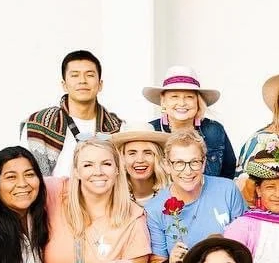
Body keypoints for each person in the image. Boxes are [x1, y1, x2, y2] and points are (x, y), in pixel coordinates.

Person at [145, 129, 247, 263]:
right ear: (167, 165)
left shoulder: (227, 190)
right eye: (179, 163)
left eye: (194, 162)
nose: (188, 171)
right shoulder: (155, 208)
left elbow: (244, 248)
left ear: (204, 162)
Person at [20, 49, 123, 178]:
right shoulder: (38, 124)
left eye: (90, 75)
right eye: (75, 75)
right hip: (52, 197)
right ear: (64, 85)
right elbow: (25, 174)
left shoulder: (117, 127)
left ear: (100, 84)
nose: (82, 81)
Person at [144, 65, 236, 180]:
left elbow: (228, 173)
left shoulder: (214, 130)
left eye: (189, 97)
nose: (182, 103)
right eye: (174, 97)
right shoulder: (149, 131)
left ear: (198, 101)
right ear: (163, 101)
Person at [112, 123, 169, 206]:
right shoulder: (112, 195)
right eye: (132, 153)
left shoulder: (171, 193)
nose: (140, 160)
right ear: (122, 158)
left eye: (147, 153)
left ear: (157, 157)